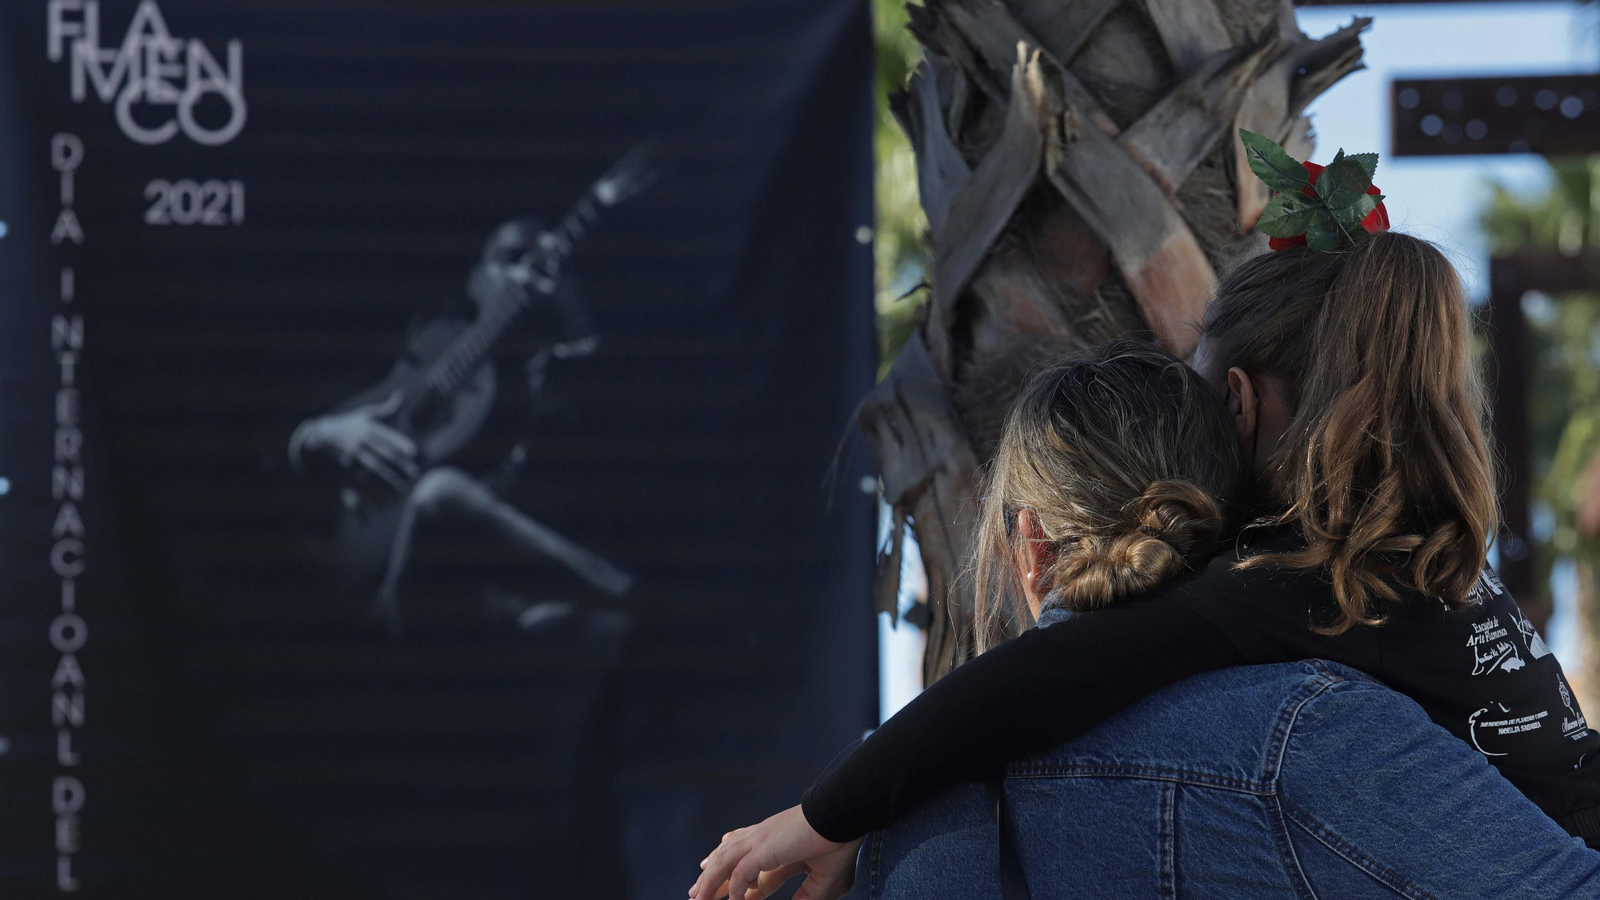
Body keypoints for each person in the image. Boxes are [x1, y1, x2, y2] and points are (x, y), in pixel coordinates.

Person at [689, 174, 1600, 897]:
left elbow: (1045, 677)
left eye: (1203, 394)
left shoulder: (1296, 593)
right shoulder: (1432, 567)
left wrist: (828, 812)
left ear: (1238, 405)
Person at [288, 209, 635, 634]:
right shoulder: (417, 343)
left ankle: (628, 603)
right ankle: (641, 596)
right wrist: (317, 435)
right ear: (476, 280)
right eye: (512, 258)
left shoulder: (576, 384)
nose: (529, 274)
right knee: (441, 495)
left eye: (550, 267)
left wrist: (574, 318)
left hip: (516, 617)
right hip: (396, 595)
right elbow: (280, 428)